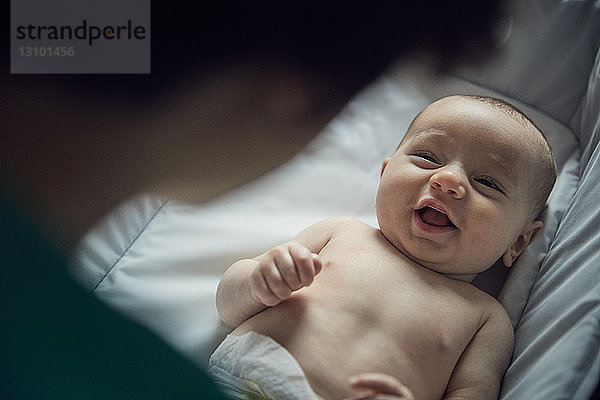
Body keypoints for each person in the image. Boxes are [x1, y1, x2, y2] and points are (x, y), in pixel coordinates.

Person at [1, 2, 506, 398]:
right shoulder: (95, 371)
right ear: (292, 96)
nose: (448, 182)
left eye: (489, 183)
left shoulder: (43, 28)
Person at [213, 95, 558, 400]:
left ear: (519, 241)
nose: (448, 179)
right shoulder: (342, 233)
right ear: (384, 174)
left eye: (486, 182)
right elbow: (228, 306)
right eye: (427, 157)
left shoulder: (485, 319)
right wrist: (259, 280)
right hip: (243, 377)